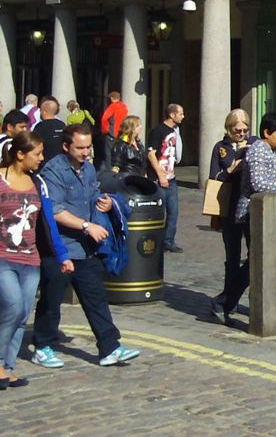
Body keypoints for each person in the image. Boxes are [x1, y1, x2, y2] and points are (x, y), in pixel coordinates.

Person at [31, 124, 140, 368]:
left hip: (85, 248)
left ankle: (110, 347)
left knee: (96, 298)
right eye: (80, 148)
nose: (86, 152)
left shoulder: (89, 169)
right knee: (51, 300)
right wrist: (85, 226)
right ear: (66, 146)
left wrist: (106, 203)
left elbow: (92, 195)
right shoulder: (54, 171)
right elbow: (55, 210)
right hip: (61, 247)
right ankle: (43, 345)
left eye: (89, 147)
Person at [0, 131, 73, 388]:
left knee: (21, 316)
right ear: (20, 155)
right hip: (3, 257)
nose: (41, 158)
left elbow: (48, 222)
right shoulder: (0, 179)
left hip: (31, 259)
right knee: (13, 307)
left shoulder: (38, 182)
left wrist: (61, 254)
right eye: (37, 154)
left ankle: (7, 368)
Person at [222, 112, 276, 325]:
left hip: (271, 213)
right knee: (261, 262)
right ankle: (226, 301)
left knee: (275, 261)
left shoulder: (267, 150)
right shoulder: (258, 150)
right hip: (256, 213)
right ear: (266, 132)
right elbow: (258, 183)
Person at [208, 109, 251, 322]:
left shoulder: (253, 144)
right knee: (232, 256)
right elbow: (213, 177)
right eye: (237, 130)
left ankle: (231, 299)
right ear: (229, 129)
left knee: (256, 257)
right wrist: (230, 171)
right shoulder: (220, 148)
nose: (241, 133)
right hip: (229, 207)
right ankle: (229, 300)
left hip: (250, 208)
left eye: (244, 129)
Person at [147, 103, 185, 253]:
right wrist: (160, 175)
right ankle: (156, 241)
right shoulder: (158, 131)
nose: (183, 116)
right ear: (172, 115)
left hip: (171, 177)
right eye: (180, 113)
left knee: (173, 211)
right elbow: (151, 154)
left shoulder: (174, 131)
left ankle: (169, 241)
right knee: (159, 211)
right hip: (159, 178)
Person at [34, 96, 66, 163]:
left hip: (45, 163)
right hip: (61, 162)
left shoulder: (39, 127)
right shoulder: (62, 125)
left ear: (44, 112)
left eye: (40, 110)